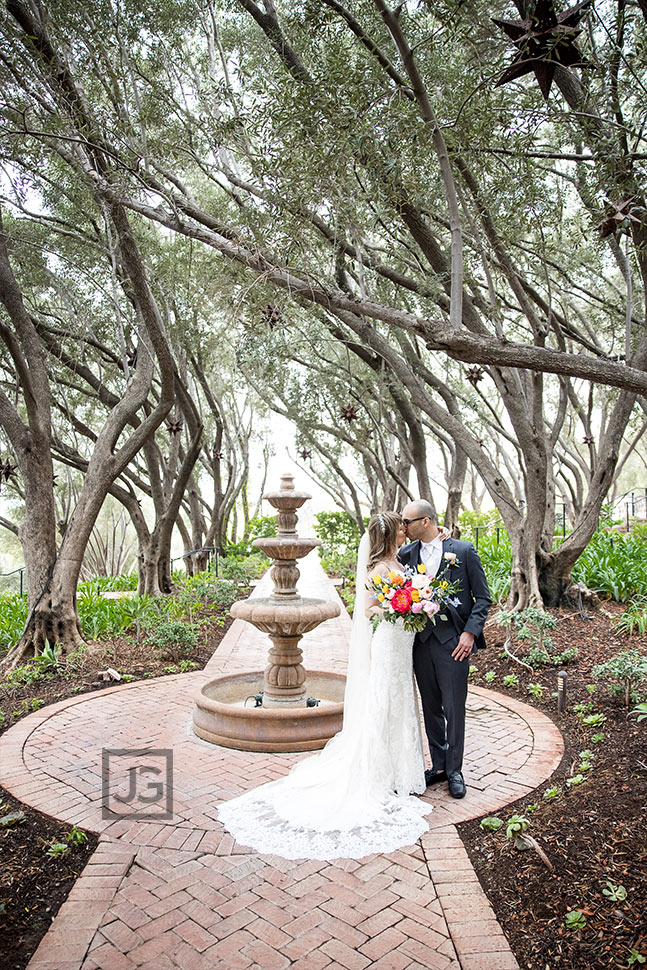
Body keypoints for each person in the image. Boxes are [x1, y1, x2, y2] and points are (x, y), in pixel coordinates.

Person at [217, 511, 431, 860]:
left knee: (401, 699)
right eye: (402, 528)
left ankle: (401, 770)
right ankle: (383, 771)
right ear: (392, 533)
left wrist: (415, 602)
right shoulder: (378, 569)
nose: (406, 532)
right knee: (385, 699)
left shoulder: (398, 560)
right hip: (390, 640)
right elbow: (368, 610)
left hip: (401, 642)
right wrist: (399, 606)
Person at [399, 500, 491, 800]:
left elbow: (482, 598)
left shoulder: (462, 552)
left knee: (454, 708)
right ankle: (438, 765)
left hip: (453, 643)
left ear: (425, 521)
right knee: (431, 707)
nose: (404, 527)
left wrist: (469, 633)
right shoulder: (406, 554)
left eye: (407, 521)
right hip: (420, 643)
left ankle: (454, 770)